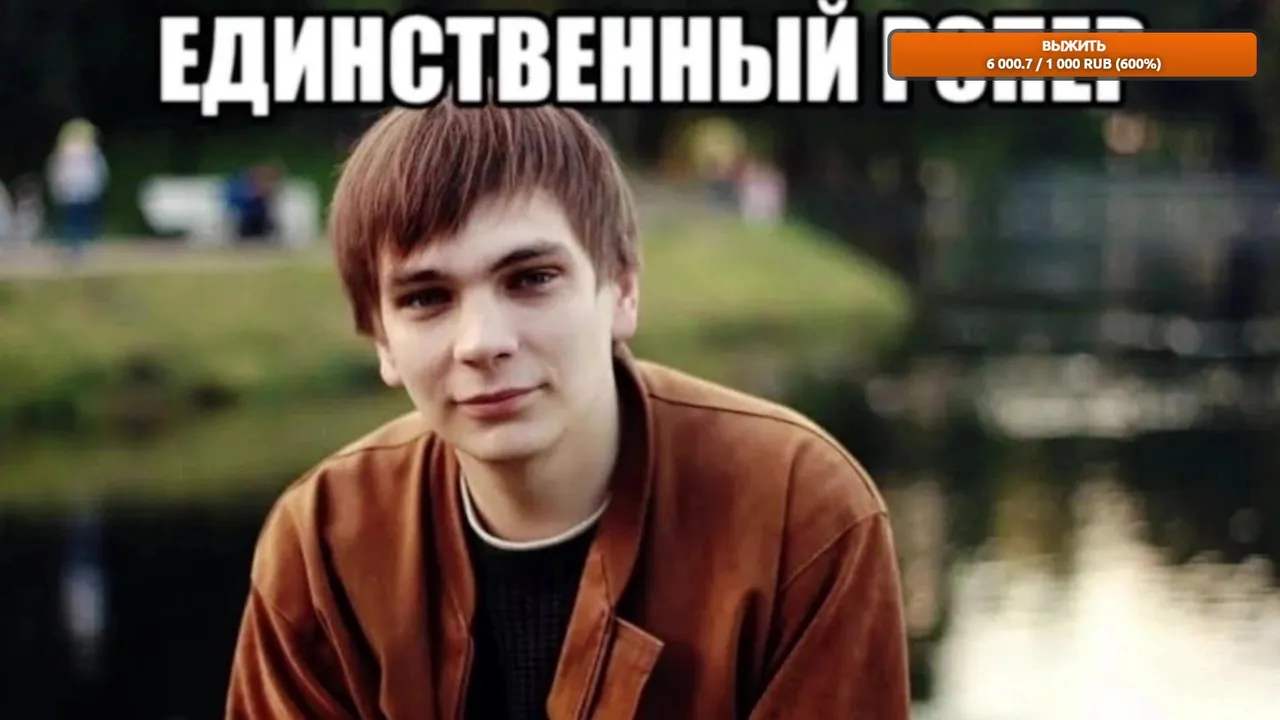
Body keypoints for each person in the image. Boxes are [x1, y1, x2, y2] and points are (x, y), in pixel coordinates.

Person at [225, 103, 911, 719]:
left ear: (622, 292)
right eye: (426, 298)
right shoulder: (322, 542)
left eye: (531, 279)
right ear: (381, 339)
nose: (482, 343)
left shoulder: (799, 509)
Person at [47, 119, 108, 261]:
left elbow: (97, 171)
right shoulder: (65, 153)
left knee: (81, 220)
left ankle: (80, 246)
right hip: (71, 191)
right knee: (72, 220)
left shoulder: (90, 152)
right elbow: (57, 171)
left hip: (83, 191)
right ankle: (72, 246)